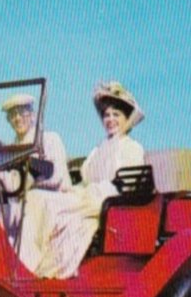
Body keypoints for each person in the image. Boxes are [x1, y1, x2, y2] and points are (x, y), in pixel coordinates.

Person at [30, 81, 146, 278]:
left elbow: (128, 184)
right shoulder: (98, 149)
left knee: (52, 206)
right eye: (107, 115)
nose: (110, 119)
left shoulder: (132, 148)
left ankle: (48, 268)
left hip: (109, 200)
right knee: (37, 198)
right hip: (88, 194)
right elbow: (86, 176)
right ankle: (32, 258)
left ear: (127, 120)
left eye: (116, 115)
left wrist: (93, 192)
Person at [0, 94, 72, 262]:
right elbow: (11, 183)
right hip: (21, 197)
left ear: (32, 114)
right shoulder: (10, 149)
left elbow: (56, 176)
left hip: (55, 198)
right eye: (13, 115)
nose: (17, 118)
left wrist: (31, 177)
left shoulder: (49, 139)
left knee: (32, 201)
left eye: (22, 113)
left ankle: (27, 263)